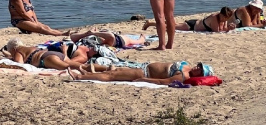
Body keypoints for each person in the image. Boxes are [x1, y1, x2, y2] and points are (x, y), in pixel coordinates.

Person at [0, 38, 100, 70]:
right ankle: (104, 68)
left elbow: (18, 63)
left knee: (69, 67)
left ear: (13, 49)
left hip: (46, 59)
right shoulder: (29, 48)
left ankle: (102, 69)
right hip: (54, 53)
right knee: (76, 65)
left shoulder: (18, 52)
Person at [67, 61, 214, 85]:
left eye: (200, 70)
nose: (197, 67)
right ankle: (86, 74)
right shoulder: (187, 66)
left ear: (200, 75)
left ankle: (79, 77)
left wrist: (144, 80)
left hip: (144, 73)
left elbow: (163, 82)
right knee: (117, 70)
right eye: (199, 65)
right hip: (144, 66)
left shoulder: (184, 76)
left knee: (111, 76)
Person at [143, 7, 236, 32]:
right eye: (225, 17)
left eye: (226, 18)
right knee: (171, 26)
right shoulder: (214, 17)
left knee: (173, 24)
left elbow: (223, 29)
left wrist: (229, 28)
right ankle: (150, 24)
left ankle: (152, 23)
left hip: (195, 23)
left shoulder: (223, 19)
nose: (225, 19)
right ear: (221, 14)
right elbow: (217, 31)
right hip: (191, 26)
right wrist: (227, 29)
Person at [69, 30, 147, 48]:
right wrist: (93, 33)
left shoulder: (86, 42)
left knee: (138, 41)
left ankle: (142, 38)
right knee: (138, 41)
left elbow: (72, 37)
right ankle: (142, 38)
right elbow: (111, 36)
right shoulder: (106, 44)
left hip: (112, 38)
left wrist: (89, 34)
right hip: (119, 40)